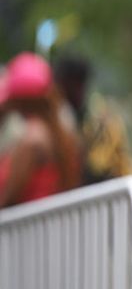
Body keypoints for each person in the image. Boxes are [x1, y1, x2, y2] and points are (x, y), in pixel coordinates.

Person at [0, 52, 82, 207]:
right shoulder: (59, 133)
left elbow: (7, 199)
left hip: (25, 227)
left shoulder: (32, 140)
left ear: (18, 102)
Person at [53, 55, 132, 184]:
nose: (78, 91)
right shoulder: (63, 116)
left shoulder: (100, 120)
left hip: (112, 187)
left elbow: (97, 168)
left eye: (80, 84)